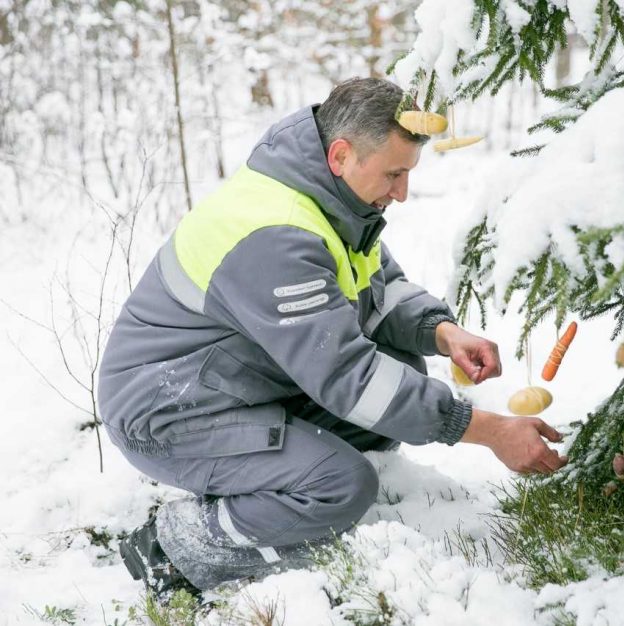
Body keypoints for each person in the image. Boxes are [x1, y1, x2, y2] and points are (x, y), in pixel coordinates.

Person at [98, 77, 568, 598]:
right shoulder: (276, 235)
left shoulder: (326, 195)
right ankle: (174, 546)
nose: (402, 193)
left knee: (404, 367)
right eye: (394, 174)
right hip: (169, 413)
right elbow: (350, 378)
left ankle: (283, 480)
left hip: (236, 383)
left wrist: (441, 331)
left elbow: (378, 286)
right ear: (342, 153)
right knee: (341, 487)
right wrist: (489, 430)